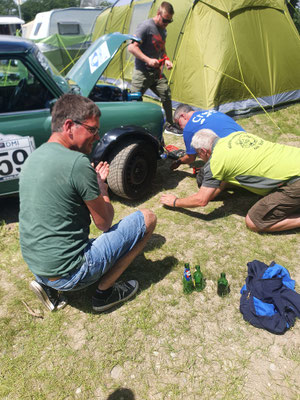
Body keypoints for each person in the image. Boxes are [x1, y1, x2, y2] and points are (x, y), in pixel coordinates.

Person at [19, 93, 157, 312]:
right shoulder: (77, 163)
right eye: (92, 130)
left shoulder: (34, 157)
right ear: (69, 126)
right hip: (70, 273)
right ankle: (105, 293)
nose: (96, 137)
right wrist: (102, 189)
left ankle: (48, 286)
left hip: (36, 265)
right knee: (148, 218)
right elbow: (104, 223)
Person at [160, 129, 300, 233]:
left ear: (203, 151)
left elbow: (201, 200)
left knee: (254, 221)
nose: (199, 158)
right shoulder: (236, 135)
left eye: (198, 154)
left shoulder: (217, 162)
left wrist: (175, 201)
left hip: (296, 181)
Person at [128, 2, 181, 136]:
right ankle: (133, 128)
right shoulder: (145, 27)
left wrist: (166, 59)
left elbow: (161, 49)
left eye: (170, 21)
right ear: (158, 14)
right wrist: (148, 60)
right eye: (165, 20)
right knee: (134, 101)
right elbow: (132, 47)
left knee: (166, 95)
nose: (166, 23)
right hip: (142, 72)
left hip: (157, 74)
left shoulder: (163, 31)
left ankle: (169, 125)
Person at [170, 104, 245, 171]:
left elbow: (191, 158)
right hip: (247, 141)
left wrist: (179, 162)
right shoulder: (212, 112)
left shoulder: (189, 129)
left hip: (235, 155)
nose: (180, 127)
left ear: (183, 116)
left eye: (178, 123)